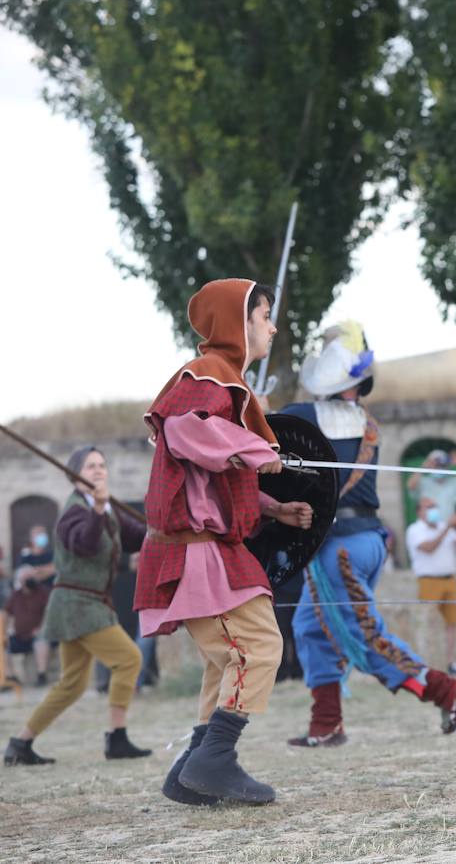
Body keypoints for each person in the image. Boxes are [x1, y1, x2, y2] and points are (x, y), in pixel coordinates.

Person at [133, 278, 314, 806]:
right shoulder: (205, 377)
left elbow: (213, 476)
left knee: (227, 658)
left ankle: (192, 767)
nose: (272, 326)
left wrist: (274, 506)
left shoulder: (223, 384)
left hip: (206, 548)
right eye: (263, 315)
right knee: (258, 646)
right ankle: (214, 760)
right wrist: (257, 450)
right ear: (237, 322)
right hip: (195, 552)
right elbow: (186, 432)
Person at [284, 322, 456, 748]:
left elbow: (263, 435)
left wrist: (254, 409)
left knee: (362, 634)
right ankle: (326, 723)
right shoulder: (368, 425)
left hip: (340, 549)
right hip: (367, 540)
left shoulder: (303, 416)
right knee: (310, 626)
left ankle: (448, 692)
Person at [4, 448, 151, 766]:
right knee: (129, 659)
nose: (98, 471)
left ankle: (19, 744)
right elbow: (85, 545)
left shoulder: (107, 508)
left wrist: (158, 532)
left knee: (72, 684)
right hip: (77, 603)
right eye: (90, 466)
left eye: (102, 465)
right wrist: (98, 509)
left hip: (88, 602)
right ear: (74, 475)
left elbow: (136, 535)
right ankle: (117, 738)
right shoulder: (73, 512)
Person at [405, 496, 456, 674]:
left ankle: (450, 661)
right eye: (428, 507)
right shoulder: (415, 530)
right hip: (429, 580)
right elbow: (429, 548)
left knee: (452, 623)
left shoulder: (444, 527)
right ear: (419, 512)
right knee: (428, 622)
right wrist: (448, 527)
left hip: (450, 579)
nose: (433, 510)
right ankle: (428, 662)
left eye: (434, 506)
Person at [15, 525, 55, 683]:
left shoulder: (51, 554)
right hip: (32, 606)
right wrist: (45, 571)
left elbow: (57, 568)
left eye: (42, 533)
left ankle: (42, 674)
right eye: (37, 534)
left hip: (50, 602)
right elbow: (24, 575)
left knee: (43, 636)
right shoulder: (25, 557)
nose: (41, 537)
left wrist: (36, 572)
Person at [407, 448, 456, 527]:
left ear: (447, 465)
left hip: (455, 529)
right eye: (436, 465)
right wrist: (423, 467)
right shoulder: (423, 482)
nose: (439, 468)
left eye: (442, 465)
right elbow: (410, 485)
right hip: (430, 530)